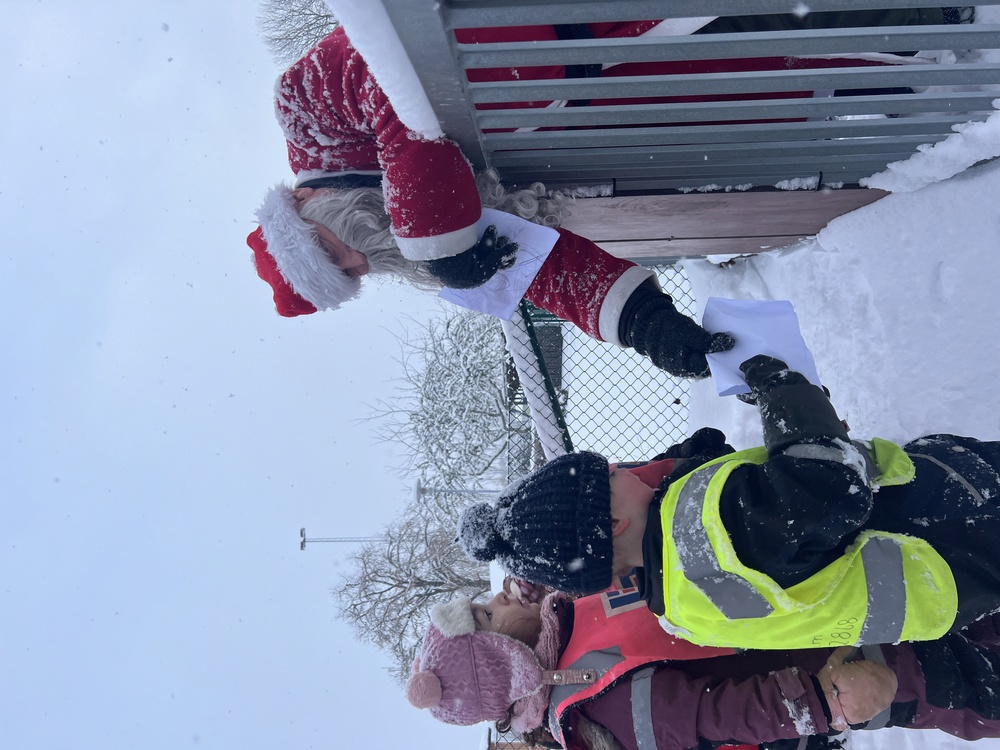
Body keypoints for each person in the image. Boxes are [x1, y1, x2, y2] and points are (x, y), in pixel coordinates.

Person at [245, 25, 734, 377]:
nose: (359, 261)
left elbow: (387, 66)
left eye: (331, 253)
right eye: (349, 275)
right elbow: (536, 265)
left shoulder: (304, 111)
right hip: (677, 85)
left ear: (302, 199)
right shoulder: (427, 229)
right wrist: (646, 325)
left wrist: (436, 240)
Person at [458, 354, 1000, 651]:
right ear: (616, 521)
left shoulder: (678, 607)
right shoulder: (708, 535)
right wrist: (781, 388)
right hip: (955, 525)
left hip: (949, 581)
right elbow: (824, 481)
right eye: (609, 473)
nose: (622, 466)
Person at [405, 580, 1000, 749]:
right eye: (486, 616)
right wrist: (825, 702)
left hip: (840, 613)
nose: (497, 596)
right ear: (499, 662)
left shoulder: (573, 620)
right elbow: (716, 716)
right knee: (976, 686)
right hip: (855, 666)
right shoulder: (589, 700)